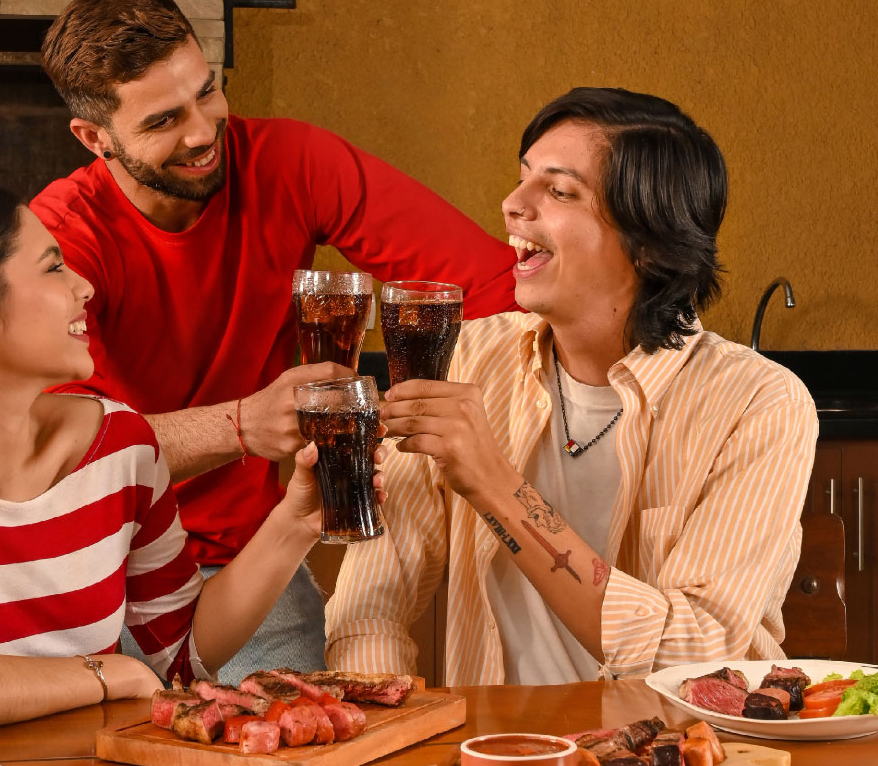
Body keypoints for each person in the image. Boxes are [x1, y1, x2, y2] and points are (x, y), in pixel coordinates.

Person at [29, 0, 520, 682]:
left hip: (248, 565)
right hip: (91, 572)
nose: (203, 132)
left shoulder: (290, 161)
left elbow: (492, 285)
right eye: (164, 120)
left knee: (312, 732)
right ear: (94, 137)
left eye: (207, 91)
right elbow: (64, 453)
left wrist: (425, 423)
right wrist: (242, 426)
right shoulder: (58, 238)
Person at [0, 181, 387, 740]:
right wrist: (105, 675)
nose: (83, 287)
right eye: (54, 267)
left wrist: (296, 522)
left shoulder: (120, 446)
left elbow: (179, 656)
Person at [325, 87, 819, 685]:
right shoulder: (469, 356)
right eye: (523, 178)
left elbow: (697, 656)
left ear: (650, 243)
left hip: (671, 735)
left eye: (560, 191)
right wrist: (383, 717)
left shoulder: (759, 403)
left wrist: (495, 483)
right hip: (497, 736)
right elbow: (369, 606)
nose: (512, 204)